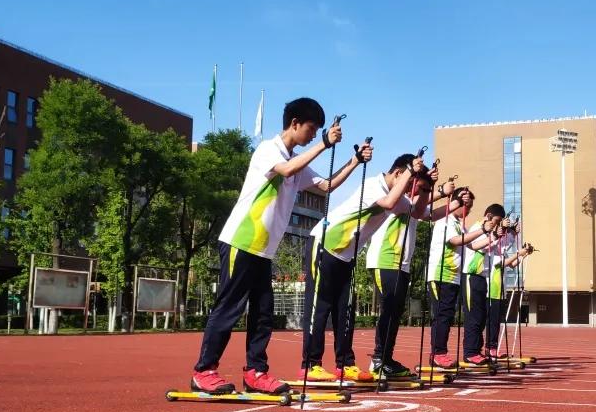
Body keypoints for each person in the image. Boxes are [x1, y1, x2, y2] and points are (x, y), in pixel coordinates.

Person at [191, 98, 364, 395]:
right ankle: (204, 371)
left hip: (263, 251)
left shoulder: (298, 162)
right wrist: (323, 144)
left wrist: (354, 161)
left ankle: (256, 371)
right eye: (311, 129)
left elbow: (327, 186)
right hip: (240, 242)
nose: (312, 134)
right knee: (229, 309)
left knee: (263, 314)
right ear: (294, 123)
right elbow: (285, 170)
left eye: (317, 131)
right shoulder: (269, 149)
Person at [300, 152, 426, 382]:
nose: (409, 191)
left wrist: (428, 187)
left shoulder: (397, 195)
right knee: (319, 307)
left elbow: (417, 212)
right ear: (398, 173)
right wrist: (410, 171)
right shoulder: (373, 186)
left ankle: (345, 363)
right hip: (325, 243)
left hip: (347, 255)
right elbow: (388, 203)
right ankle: (311, 364)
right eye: (407, 183)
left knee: (345, 309)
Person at [365, 166, 456, 377]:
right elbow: (415, 206)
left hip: (402, 264)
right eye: (419, 186)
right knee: (389, 310)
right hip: (384, 260)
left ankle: (386, 358)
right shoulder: (395, 197)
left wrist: (454, 201)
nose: (419, 190)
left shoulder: (412, 203)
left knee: (395, 312)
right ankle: (379, 359)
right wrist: (439, 190)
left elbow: (429, 215)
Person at [425, 187, 486, 368]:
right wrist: (482, 229)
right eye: (466, 205)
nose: (468, 210)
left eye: (470, 206)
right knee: (442, 315)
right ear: (457, 202)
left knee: (448, 315)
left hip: (453, 276)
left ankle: (442, 352)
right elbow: (456, 241)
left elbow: (472, 246)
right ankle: (438, 352)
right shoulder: (445, 220)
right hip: (440, 274)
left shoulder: (459, 224)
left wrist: (490, 235)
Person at [460, 204, 508, 365]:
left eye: (499, 221)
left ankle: (476, 350)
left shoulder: (491, 232)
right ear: (488, 216)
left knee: (481, 317)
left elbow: (494, 249)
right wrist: (492, 237)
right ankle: (470, 352)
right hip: (471, 274)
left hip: (482, 276)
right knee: (473, 316)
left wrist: (499, 235)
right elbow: (474, 246)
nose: (496, 224)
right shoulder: (477, 228)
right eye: (496, 220)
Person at [485, 237, 534, 359]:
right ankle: (490, 347)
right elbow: (502, 263)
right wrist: (518, 253)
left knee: (497, 321)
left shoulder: (503, 251)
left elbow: (511, 264)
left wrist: (524, 255)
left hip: (500, 290)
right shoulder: (494, 249)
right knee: (492, 320)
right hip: (492, 289)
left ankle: (493, 347)